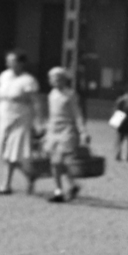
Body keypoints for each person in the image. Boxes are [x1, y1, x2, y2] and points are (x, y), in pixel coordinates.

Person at [0, 51, 42, 196]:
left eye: (12, 61)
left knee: (13, 151)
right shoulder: (5, 75)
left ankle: (5, 185)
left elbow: (36, 102)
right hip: (4, 117)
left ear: (21, 63)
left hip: (21, 118)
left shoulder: (28, 80)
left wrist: (39, 122)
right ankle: (30, 175)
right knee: (6, 151)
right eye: (8, 61)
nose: (9, 64)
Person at [43, 65, 87, 204]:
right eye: (53, 79)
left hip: (67, 131)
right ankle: (67, 188)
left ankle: (61, 190)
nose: (55, 81)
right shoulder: (51, 94)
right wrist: (46, 129)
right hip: (53, 131)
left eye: (58, 78)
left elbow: (77, 114)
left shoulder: (70, 94)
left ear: (64, 80)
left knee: (59, 161)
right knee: (55, 163)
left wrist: (83, 131)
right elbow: (51, 114)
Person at [113, 85, 128, 162]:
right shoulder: (121, 100)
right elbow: (117, 110)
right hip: (123, 123)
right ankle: (118, 155)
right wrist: (116, 122)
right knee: (120, 140)